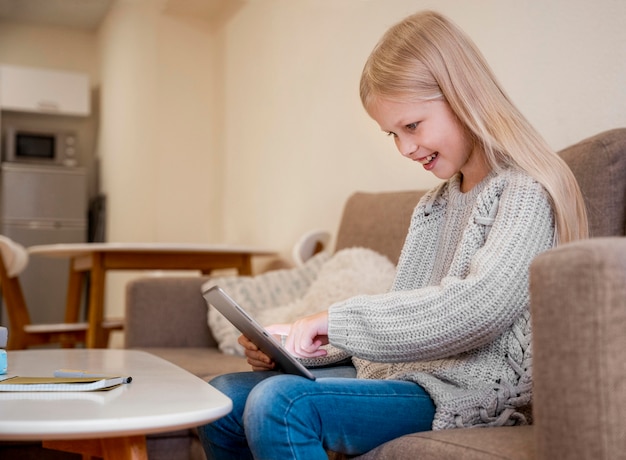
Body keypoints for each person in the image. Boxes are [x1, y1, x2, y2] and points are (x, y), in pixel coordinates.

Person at [198, 10, 588, 459]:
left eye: (412, 126)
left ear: (462, 96)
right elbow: (406, 325)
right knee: (223, 397)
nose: (405, 148)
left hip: (467, 392)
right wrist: (297, 346)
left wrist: (333, 319)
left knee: (279, 405)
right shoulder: (434, 206)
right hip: (408, 377)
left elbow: (479, 308)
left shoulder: (525, 190)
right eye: (392, 134)